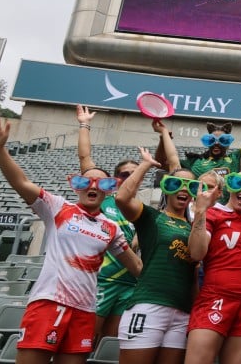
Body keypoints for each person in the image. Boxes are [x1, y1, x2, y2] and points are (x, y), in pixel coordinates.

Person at [0, 113, 141, 364]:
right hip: (50, 302)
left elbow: (138, 267)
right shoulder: (58, 207)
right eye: (86, 181)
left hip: (86, 310)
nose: (93, 186)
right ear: (77, 186)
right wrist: (0, 149)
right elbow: (21, 182)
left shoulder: (111, 228)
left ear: (108, 189)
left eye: (101, 183)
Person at [116, 137, 200, 364]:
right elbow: (122, 198)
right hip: (149, 304)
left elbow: (193, 276)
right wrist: (146, 164)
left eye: (191, 185)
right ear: (166, 187)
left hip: (182, 312)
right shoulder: (153, 217)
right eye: (176, 184)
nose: (183, 189)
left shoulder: (196, 227)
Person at [186, 169, 241, 364]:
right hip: (216, 297)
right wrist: (201, 212)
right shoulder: (213, 214)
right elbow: (196, 253)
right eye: (239, 183)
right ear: (229, 186)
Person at [76, 104, 140, 343]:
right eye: (124, 174)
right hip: (102, 280)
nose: (130, 177)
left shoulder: (144, 211)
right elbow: (85, 160)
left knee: (110, 345)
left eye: (135, 173)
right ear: (114, 180)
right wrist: (84, 124)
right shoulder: (103, 199)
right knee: (86, 342)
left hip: (130, 284)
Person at [174, 120, 241, 178]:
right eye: (212, 140)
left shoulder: (235, 158)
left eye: (222, 140)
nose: (216, 143)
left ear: (227, 143)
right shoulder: (195, 161)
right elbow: (171, 163)